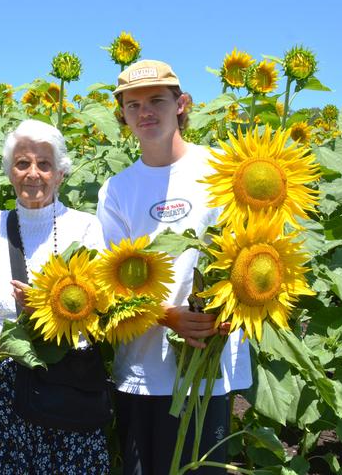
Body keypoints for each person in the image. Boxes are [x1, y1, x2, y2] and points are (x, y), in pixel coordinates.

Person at [96, 60, 253, 474]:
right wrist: (168, 317)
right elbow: (109, 282)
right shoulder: (116, 189)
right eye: (133, 105)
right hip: (143, 364)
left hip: (210, 359)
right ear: (123, 116)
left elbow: (251, 249)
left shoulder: (222, 169)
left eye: (156, 101)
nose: (145, 112)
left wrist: (230, 313)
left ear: (181, 104)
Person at [0, 119, 110, 474]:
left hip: (66, 384)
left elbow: (102, 309)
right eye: (22, 163)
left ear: (61, 174)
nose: (33, 173)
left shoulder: (85, 227)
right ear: (9, 172)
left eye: (44, 164)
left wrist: (47, 308)